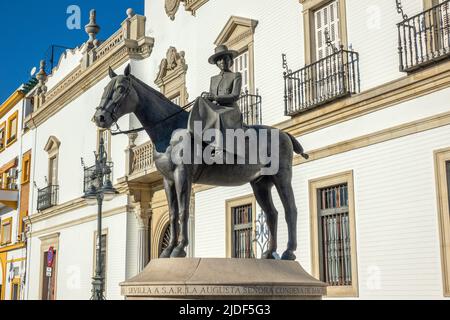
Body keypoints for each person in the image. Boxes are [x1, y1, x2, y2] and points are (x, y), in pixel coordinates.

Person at [188, 45, 243, 157]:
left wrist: (215, 98)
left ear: (230, 60)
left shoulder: (236, 76)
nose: (222, 61)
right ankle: (195, 137)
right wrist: (208, 98)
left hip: (229, 109)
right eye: (219, 59)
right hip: (216, 107)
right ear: (217, 63)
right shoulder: (213, 79)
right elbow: (211, 98)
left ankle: (219, 148)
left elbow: (235, 95)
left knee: (217, 115)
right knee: (200, 102)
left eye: (225, 58)